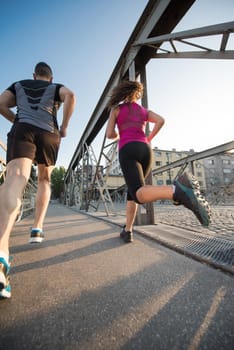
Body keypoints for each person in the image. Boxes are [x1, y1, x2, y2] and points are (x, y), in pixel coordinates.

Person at [0, 62, 76, 298]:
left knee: (16, 177)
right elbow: (71, 95)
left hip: (23, 130)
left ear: (34, 75)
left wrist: (15, 120)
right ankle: (37, 228)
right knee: (44, 179)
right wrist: (63, 127)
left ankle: (1, 252)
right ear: (51, 78)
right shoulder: (56, 88)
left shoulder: (19, 84)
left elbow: (1, 103)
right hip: (49, 133)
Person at [106, 80, 211, 243]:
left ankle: (177, 191)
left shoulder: (116, 109)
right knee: (132, 194)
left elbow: (109, 134)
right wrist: (148, 138)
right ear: (137, 94)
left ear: (123, 92)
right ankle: (127, 230)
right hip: (145, 150)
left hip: (128, 149)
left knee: (139, 194)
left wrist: (119, 134)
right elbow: (161, 120)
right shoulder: (144, 111)